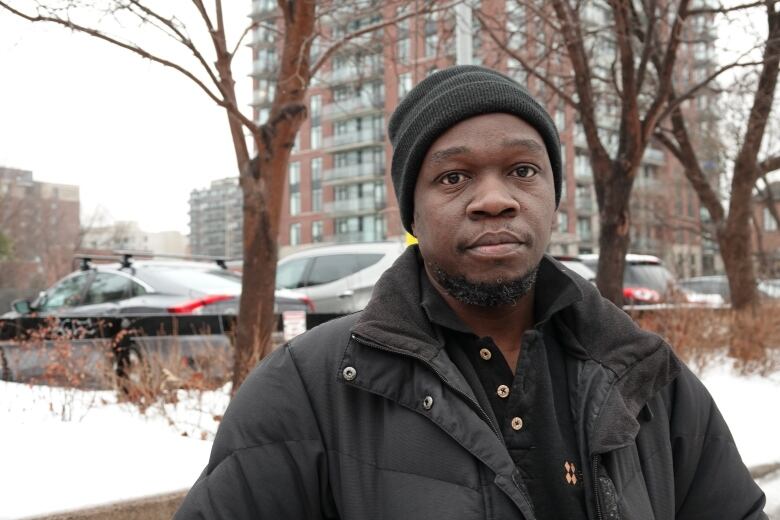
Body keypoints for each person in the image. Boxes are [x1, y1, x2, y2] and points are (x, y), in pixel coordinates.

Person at [175, 66, 767, 519]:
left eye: (523, 170)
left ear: (554, 198)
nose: (494, 199)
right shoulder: (305, 390)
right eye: (453, 177)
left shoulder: (646, 379)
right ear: (413, 210)